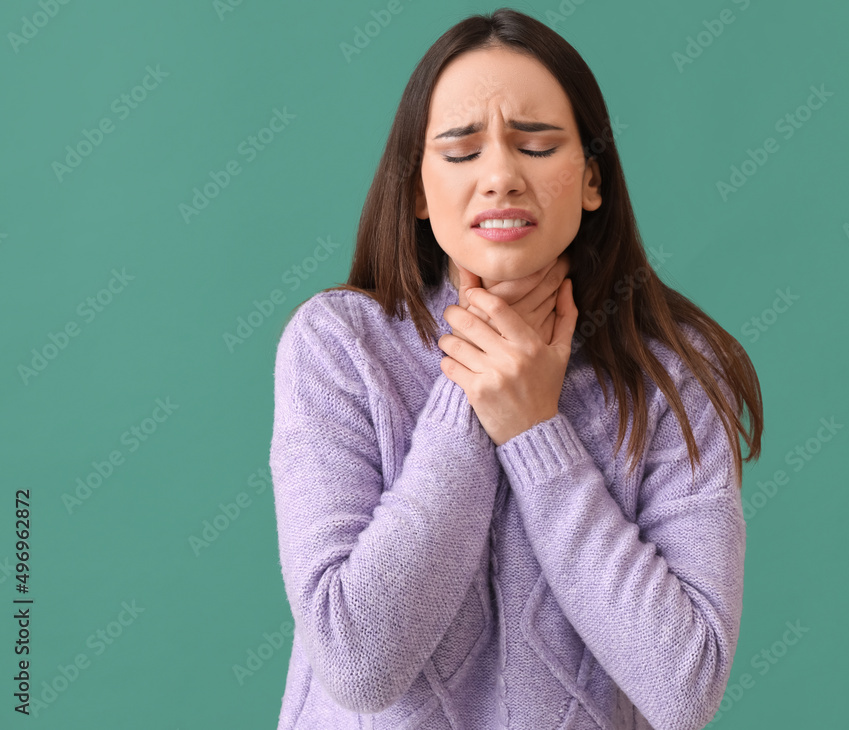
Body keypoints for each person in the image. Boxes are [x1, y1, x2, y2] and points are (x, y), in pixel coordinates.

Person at [268, 8, 763, 729]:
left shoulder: (677, 371)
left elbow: (683, 690)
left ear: (593, 179)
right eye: (461, 151)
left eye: (535, 144)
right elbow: (358, 662)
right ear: (416, 190)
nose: (499, 176)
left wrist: (536, 430)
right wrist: (471, 399)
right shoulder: (338, 346)